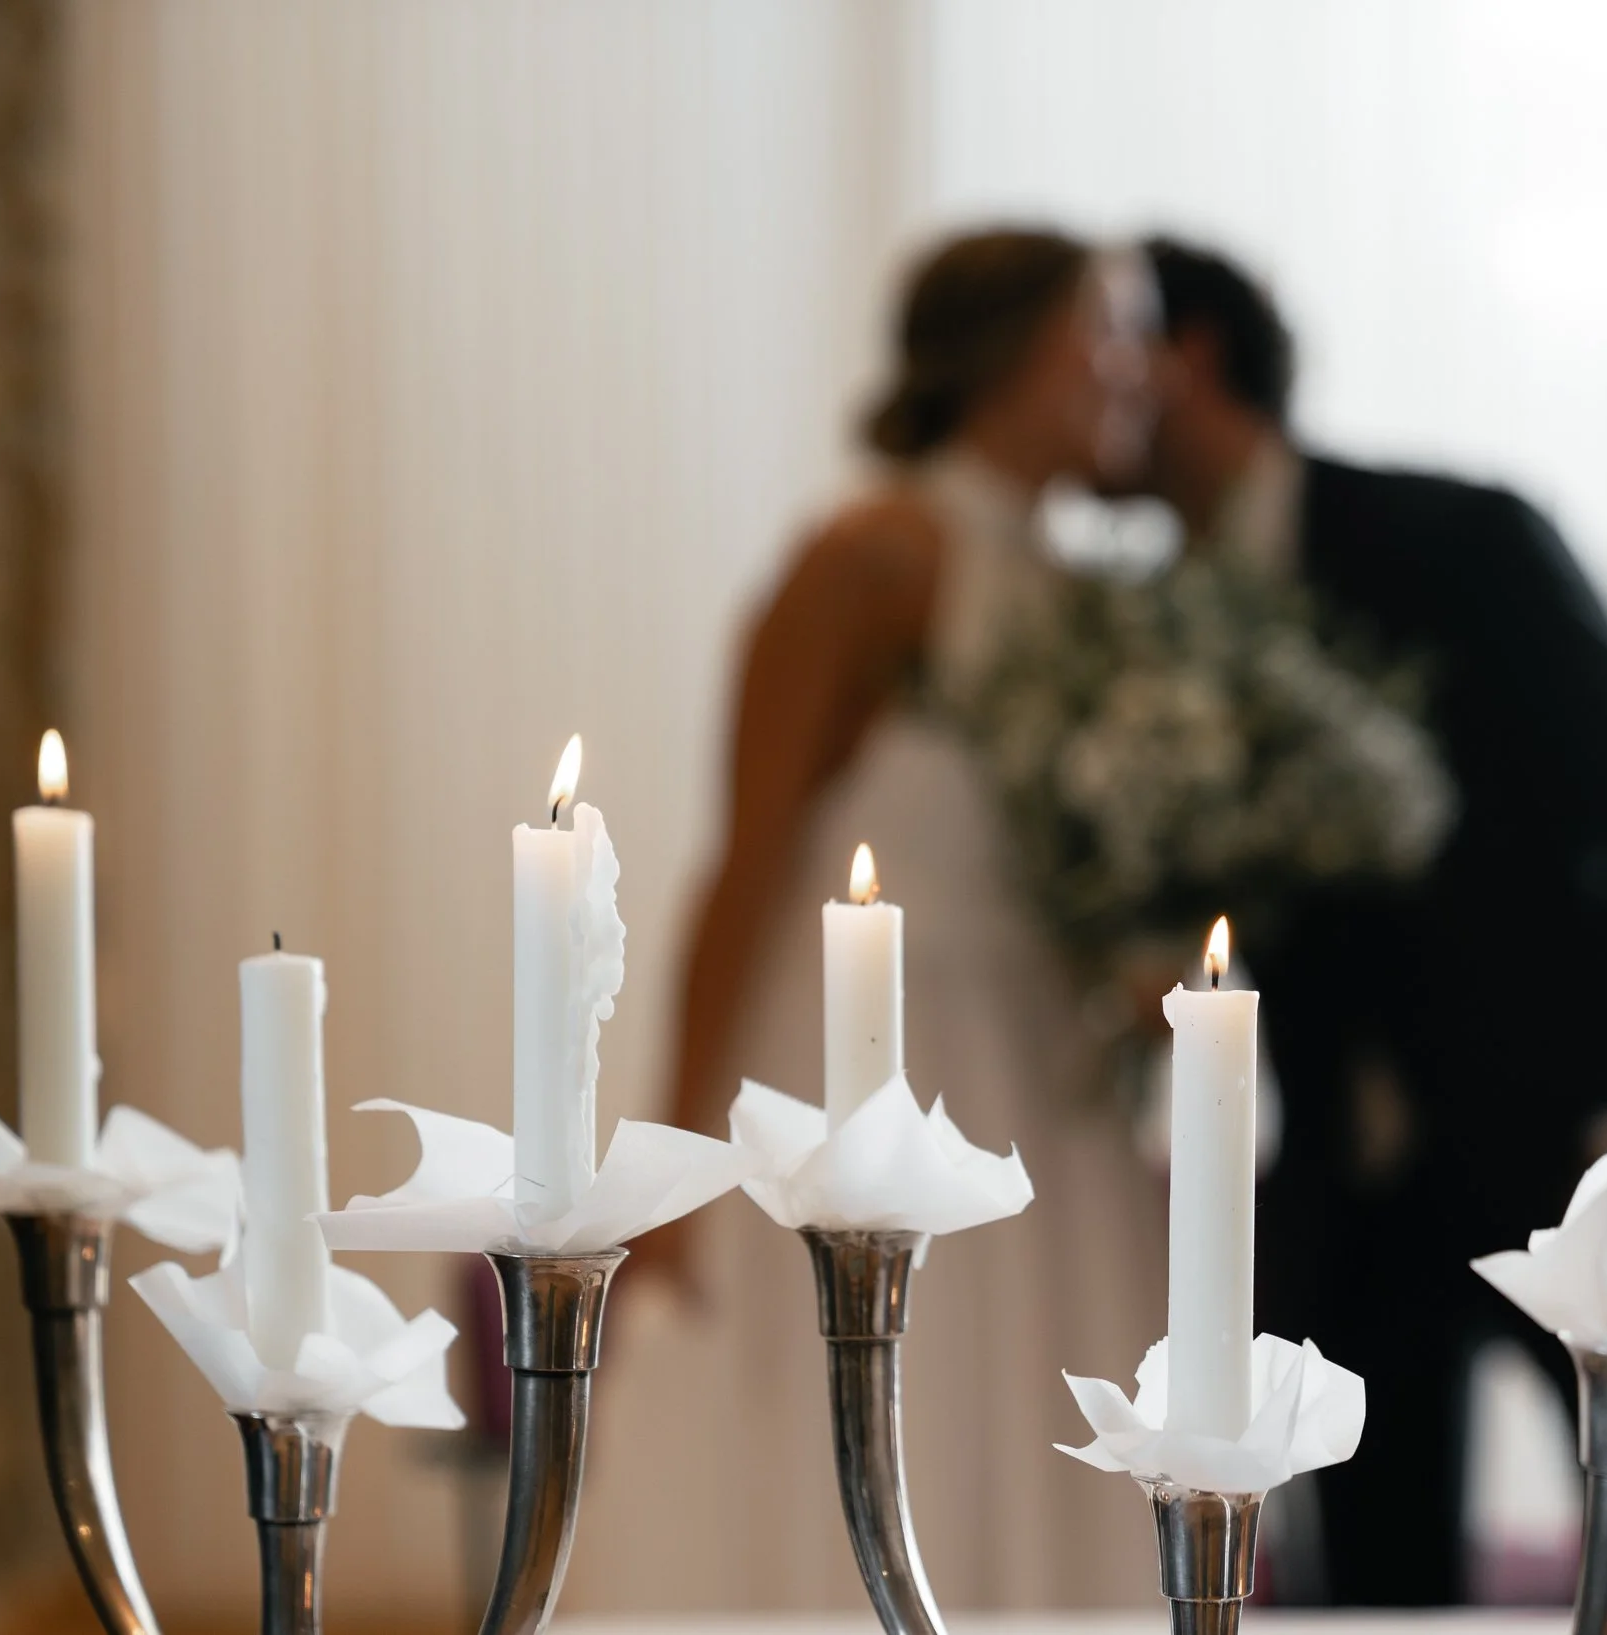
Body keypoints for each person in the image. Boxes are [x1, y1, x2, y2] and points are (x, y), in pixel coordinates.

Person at [1134, 236, 1607, 1606]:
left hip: (1558, 1148)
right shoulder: (1144, 626)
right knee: (1377, 1576)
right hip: (1351, 1183)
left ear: (1199, 354)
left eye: (1129, 343)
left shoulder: (1459, 534)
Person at [576, 229, 1167, 1610]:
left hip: (1041, 1073)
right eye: (1111, 331)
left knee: (1035, 1393)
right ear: (1013, 351)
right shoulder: (870, 557)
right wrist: (672, 1145)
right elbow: (748, 855)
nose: (1134, 368)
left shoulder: (1084, 591)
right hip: (875, 1052)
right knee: (887, 1384)